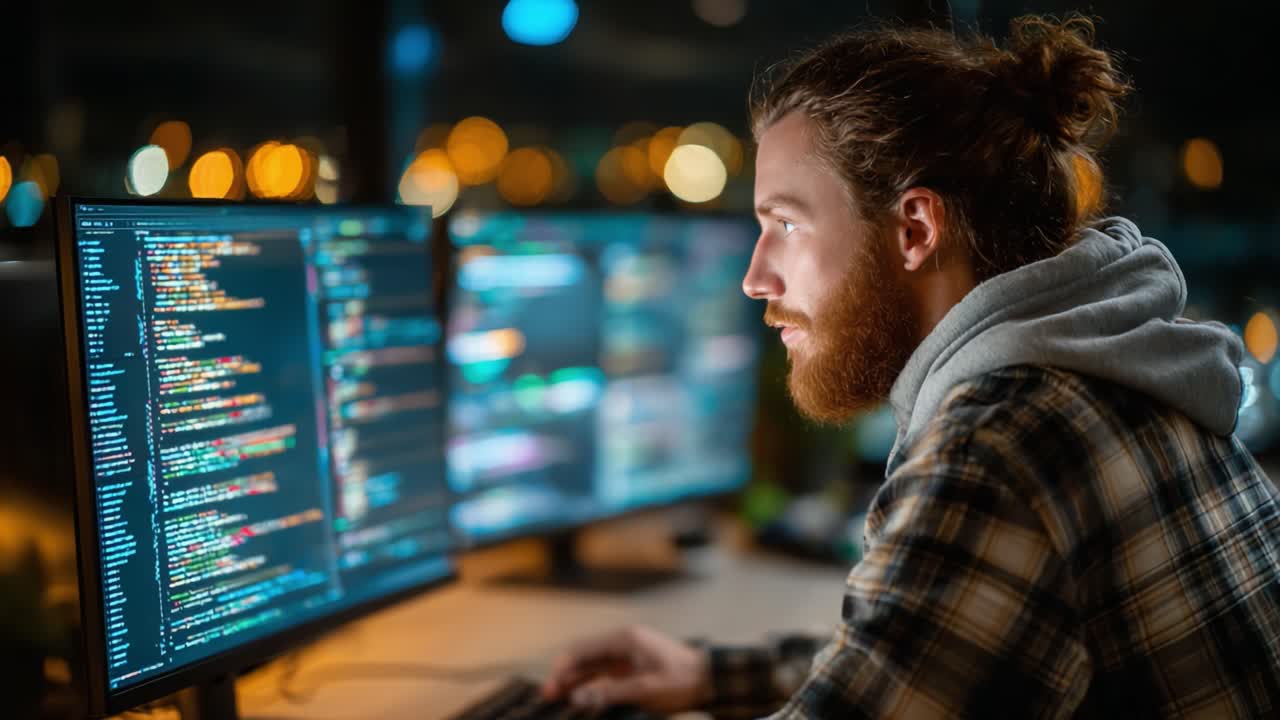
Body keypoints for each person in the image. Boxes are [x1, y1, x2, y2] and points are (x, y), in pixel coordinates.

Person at [541, 14, 1280, 719]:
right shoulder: (1102, 367)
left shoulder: (999, 439)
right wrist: (708, 675)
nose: (756, 278)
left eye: (786, 224)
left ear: (915, 229)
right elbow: (947, 652)